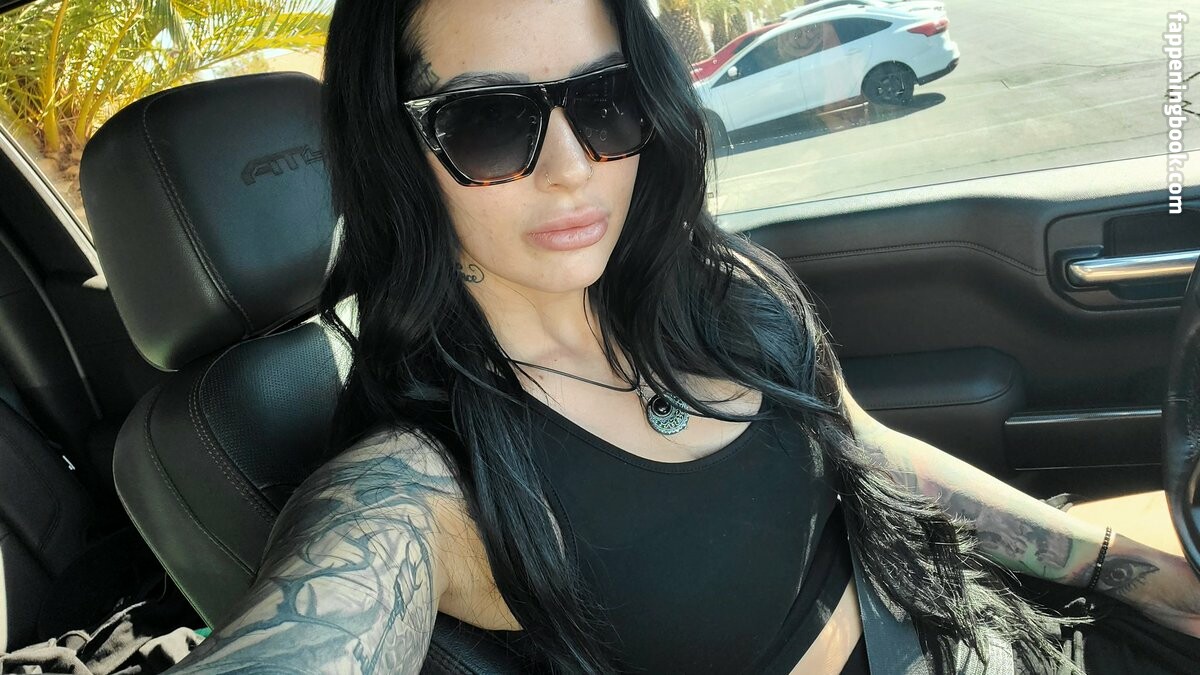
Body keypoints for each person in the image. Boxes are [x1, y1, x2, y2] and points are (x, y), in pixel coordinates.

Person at [168, 0, 1200, 673]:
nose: (573, 168)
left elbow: (868, 451)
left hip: (982, 628)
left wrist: (1135, 570)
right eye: (488, 121)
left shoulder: (725, 291)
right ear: (397, 147)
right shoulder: (418, 484)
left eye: (606, 102)